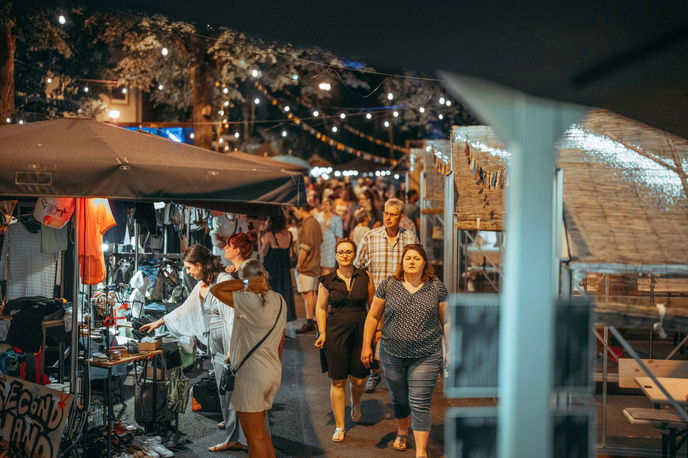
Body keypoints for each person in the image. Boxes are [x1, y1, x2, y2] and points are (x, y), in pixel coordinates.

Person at [139, 245, 246, 452]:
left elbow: (234, 317)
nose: (187, 272)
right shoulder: (202, 285)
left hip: (228, 338)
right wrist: (159, 322)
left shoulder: (224, 282)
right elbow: (185, 309)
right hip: (215, 340)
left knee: (235, 388)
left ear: (199, 264)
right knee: (225, 389)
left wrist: (233, 349)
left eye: (189, 268)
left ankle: (241, 435)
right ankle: (234, 434)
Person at [361, 244, 448, 457]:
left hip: (426, 354)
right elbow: (372, 316)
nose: (411, 262)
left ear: (424, 263)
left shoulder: (436, 287)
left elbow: (446, 321)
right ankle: (401, 432)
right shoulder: (389, 285)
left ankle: (420, 450)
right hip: (392, 353)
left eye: (416, 258)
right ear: (402, 262)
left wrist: (451, 349)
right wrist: (366, 345)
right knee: (399, 398)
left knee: (419, 401)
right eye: (408, 258)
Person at [212, 260, 286, 458]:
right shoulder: (279, 299)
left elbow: (217, 289)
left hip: (251, 374)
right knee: (262, 434)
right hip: (271, 369)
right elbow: (281, 339)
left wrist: (246, 284)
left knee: (254, 437)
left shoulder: (247, 301)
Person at [355, 197, 419, 392]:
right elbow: (359, 267)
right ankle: (374, 374)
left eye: (393, 214)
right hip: (375, 298)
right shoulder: (371, 237)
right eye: (386, 213)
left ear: (401, 217)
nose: (388, 218)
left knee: (401, 336)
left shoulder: (410, 238)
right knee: (374, 335)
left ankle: (399, 376)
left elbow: (418, 265)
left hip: (402, 298)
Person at [314, 239, 375, 443]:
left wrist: (378, 330)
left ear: (354, 254)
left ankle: (355, 402)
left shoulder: (365, 277)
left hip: (361, 331)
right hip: (335, 333)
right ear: (336, 255)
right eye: (341, 252)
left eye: (349, 251)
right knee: (337, 380)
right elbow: (321, 308)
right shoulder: (327, 280)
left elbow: (373, 306)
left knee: (358, 379)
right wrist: (322, 332)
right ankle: (340, 426)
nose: (345, 255)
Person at [259, 215, 297, 322]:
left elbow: (262, 252)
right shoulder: (289, 234)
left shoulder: (270, 234)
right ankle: (284, 318)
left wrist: (259, 238)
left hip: (272, 270)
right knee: (284, 293)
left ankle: (273, 320)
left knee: (273, 294)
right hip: (285, 269)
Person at [292, 204, 322, 334]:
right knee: (312, 292)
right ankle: (314, 319)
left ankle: (310, 320)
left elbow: (305, 247)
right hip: (314, 263)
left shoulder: (308, 223)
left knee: (307, 293)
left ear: (300, 209)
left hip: (308, 264)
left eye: (295, 211)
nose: (295, 214)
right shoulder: (314, 222)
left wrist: (299, 264)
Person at [315, 196, 344, 276]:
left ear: (331, 206)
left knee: (328, 267)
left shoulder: (336, 218)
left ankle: (326, 285)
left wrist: (338, 250)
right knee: (319, 267)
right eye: (323, 204)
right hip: (319, 244)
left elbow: (339, 235)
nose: (324, 206)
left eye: (326, 204)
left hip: (330, 245)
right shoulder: (317, 216)